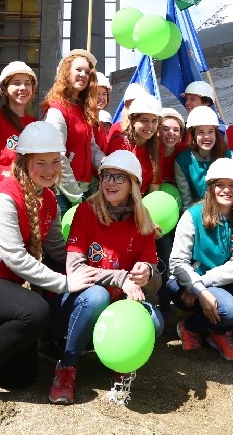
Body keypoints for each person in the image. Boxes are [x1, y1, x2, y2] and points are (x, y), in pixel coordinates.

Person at [0, 122, 100, 413]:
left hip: (3, 288)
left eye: (55, 161)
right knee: (36, 311)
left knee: (21, 377)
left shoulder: (50, 198)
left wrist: (90, 266)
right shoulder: (4, 195)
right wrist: (66, 283)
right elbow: (15, 257)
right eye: (40, 162)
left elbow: (55, 247)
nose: (50, 169)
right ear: (24, 161)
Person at [50, 150, 164, 404]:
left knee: (155, 321)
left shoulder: (142, 219)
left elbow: (155, 284)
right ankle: (66, 367)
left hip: (115, 310)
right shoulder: (85, 212)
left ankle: (119, 361)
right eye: (105, 176)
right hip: (75, 306)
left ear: (133, 184)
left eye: (119, 178)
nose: (110, 183)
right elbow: (75, 269)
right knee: (96, 295)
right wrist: (121, 278)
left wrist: (148, 272)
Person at [167, 158, 233, 361]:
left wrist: (202, 286)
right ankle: (189, 327)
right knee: (230, 309)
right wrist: (198, 289)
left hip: (214, 282)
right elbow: (177, 263)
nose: (226, 190)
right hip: (185, 284)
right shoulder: (192, 215)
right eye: (220, 185)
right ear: (210, 188)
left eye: (232, 185)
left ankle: (219, 332)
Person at [41, 49, 105, 213]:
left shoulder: (83, 110)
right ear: (65, 73)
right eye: (78, 70)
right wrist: (76, 197)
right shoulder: (57, 110)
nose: (83, 75)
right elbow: (56, 155)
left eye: (87, 72)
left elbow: (92, 147)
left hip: (81, 190)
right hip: (60, 193)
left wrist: (107, 165)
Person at [0, 62, 38, 197]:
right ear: (4, 89)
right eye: (16, 83)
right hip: (0, 193)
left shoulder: (35, 124)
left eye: (27, 83)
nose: (23, 88)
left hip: (28, 195)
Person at [156, 106, 186, 326]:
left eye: (176, 129)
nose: (171, 133)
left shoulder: (183, 151)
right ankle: (166, 308)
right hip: (157, 218)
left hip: (180, 213)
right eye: (165, 128)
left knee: (182, 258)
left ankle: (184, 302)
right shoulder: (151, 152)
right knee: (164, 259)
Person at [174, 106, 231, 211]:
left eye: (210, 131)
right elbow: (187, 201)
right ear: (193, 135)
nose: (206, 136)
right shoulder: (183, 161)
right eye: (201, 132)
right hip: (199, 211)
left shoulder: (229, 157)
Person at [106, 95, 162, 195]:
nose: (150, 126)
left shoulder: (158, 149)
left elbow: (154, 188)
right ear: (133, 121)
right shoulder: (120, 143)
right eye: (144, 120)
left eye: (154, 121)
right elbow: (112, 184)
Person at [94, 72, 112, 152]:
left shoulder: (100, 125)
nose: (101, 98)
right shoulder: (85, 121)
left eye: (104, 94)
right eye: (97, 94)